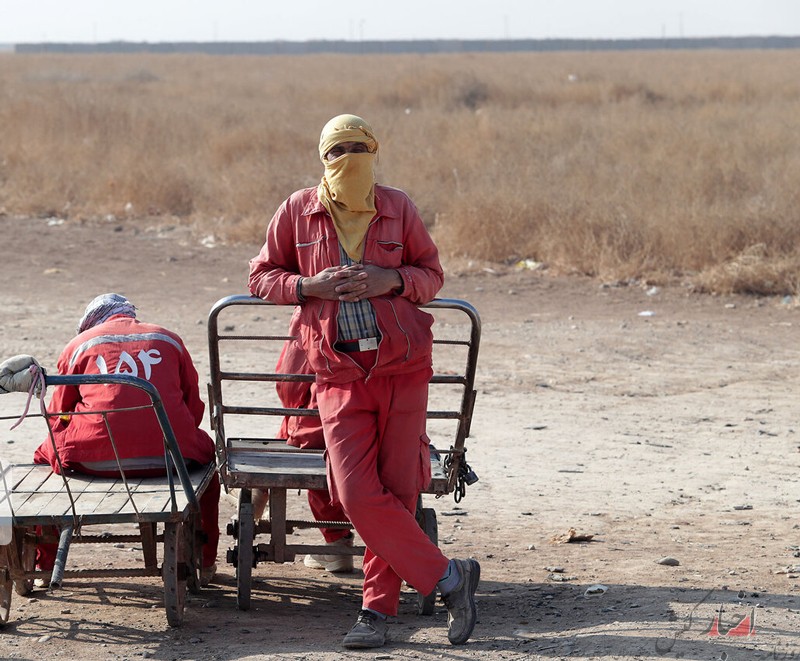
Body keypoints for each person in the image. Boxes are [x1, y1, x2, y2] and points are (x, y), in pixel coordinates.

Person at [248, 114, 480, 648]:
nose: (347, 159)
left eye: (358, 148)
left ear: (375, 153)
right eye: (337, 151)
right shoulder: (298, 210)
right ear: (322, 158)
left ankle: (375, 613)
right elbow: (261, 277)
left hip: (403, 368)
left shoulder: (398, 208)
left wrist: (392, 279)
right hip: (335, 370)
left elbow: (431, 275)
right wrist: (311, 285)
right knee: (354, 492)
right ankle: (450, 577)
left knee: (398, 494)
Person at [33, 293, 220, 587]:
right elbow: (193, 407)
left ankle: (44, 564)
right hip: (174, 459)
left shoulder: (80, 345)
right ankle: (206, 561)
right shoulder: (168, 339)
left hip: (90, 461)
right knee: (210, 465)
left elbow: (59, 413)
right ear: (129, 314)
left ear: (92, 321)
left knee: (43, 453)